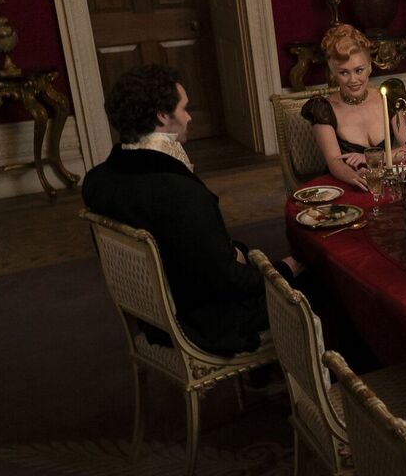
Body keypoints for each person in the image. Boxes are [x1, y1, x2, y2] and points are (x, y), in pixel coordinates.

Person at [83, 64, 304, 356]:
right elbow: (225, 282)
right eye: (184, 108)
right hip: (205, 324)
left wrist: (233, 251)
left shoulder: (97, 181)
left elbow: (186, 250)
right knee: (321, 287)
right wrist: (286, 268)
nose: (188, 117)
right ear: (162, 116)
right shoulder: (179, 193)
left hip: (155, 319)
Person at [301, 24, 406, 190]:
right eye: (344, 73)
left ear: (369, 67)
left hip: (383, 182)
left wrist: (372, 158)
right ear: (333, 74)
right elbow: (334, 161)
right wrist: (354, 176)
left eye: (359, 70)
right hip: (346, 185)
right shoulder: (322, 109)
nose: (353, 80)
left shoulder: (388, 98)